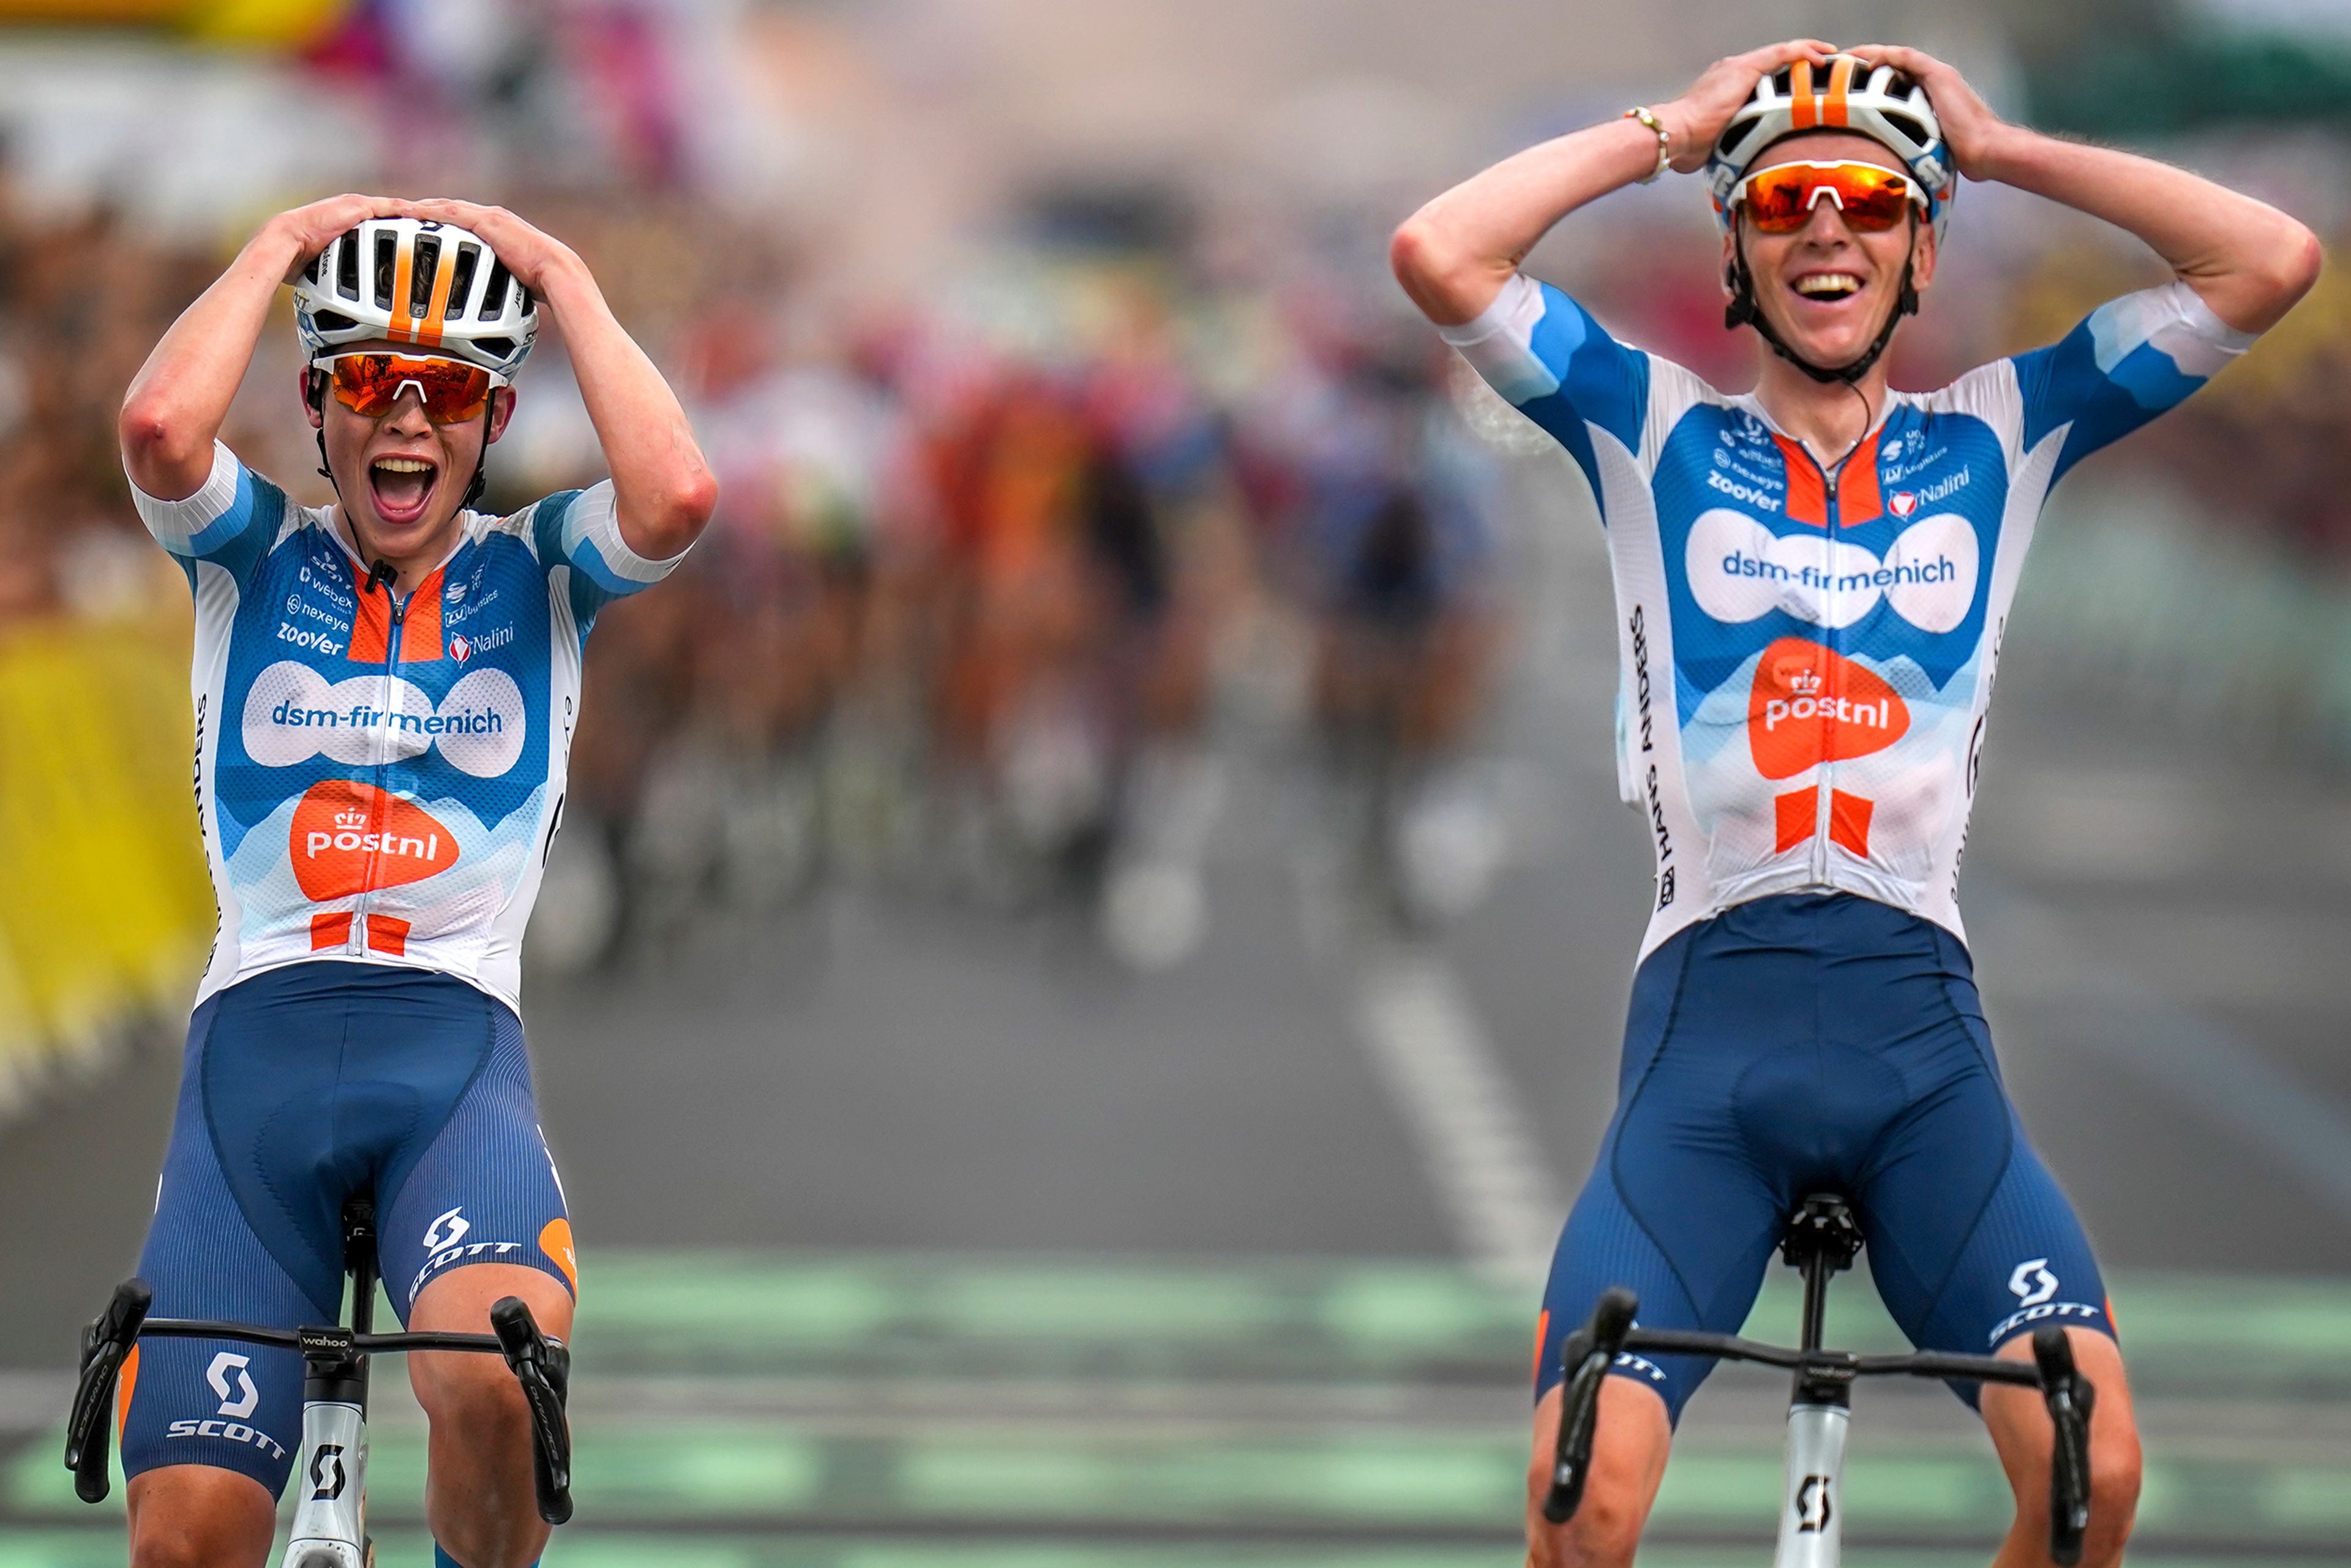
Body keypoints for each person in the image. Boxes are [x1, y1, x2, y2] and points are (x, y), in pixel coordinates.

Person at [1390, 40, 2318, 1568]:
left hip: (1920, 1054)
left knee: (2098, 1480)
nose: (1831, 229)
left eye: (1875, 208)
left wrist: (2004, 146)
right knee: (1584, 1505)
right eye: (1790, 205)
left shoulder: (2006, 435)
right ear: (1741, 256)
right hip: (1710, 1049)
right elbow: (1443, 252)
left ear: (1921, 250)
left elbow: (2269, 257)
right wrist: (1669, 132)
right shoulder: (1652, 429)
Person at [113, 195, 718, 1568]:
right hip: (255, 1059)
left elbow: (678, 493)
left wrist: (562, 272)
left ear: (492, 421)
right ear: (317, 404)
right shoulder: (248, 553)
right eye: (369, 387)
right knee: (187, 1541)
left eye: (447, 393)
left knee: (493, 1385)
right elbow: (158, 430)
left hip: (449, 1053)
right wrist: (274, 249)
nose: (405, 423)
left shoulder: (543, 572)